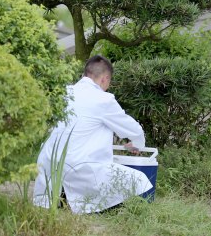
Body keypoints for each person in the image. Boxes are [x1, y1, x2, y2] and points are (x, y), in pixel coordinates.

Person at [33, 55, 152, 214]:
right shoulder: (103, 99)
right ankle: (87, 203)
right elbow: (134, 130)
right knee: (139, 180)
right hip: (78, 167)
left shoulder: (64, 92)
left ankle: (63, 196)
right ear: (105, 78)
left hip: (48, 164)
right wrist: (138, 144)